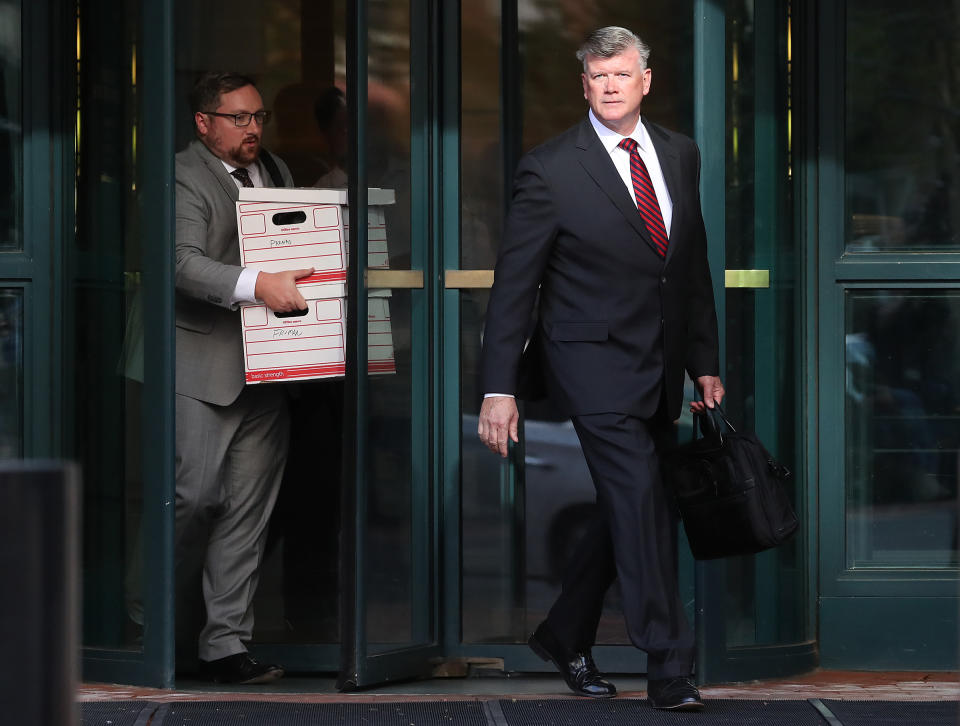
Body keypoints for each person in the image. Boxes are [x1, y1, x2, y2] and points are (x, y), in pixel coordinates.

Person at [477, 27, 724, 712]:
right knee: (642, 499)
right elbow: (515, 284)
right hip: (589, 363)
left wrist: (703, 361)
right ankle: (670, 663)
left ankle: (564, 631)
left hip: (661, 364)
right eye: (597, 76)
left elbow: (688, 267)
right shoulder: (550, 168)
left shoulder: (679, 153)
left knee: (636, 504)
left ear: (647, 79)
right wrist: (499, 387)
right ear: (583, 86)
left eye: (621, 73)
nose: (610, 86)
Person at [175, 71, 313, 684]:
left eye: (258, 116)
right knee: (192, 498)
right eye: (238, 118)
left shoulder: (276, 171)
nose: (253, 127)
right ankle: (154, 623)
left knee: (247, 513)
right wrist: (258, 286)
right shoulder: (180, 173)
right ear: (204, 123)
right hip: (200, 364)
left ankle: (224, 645)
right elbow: (180, 263)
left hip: (271, 364)